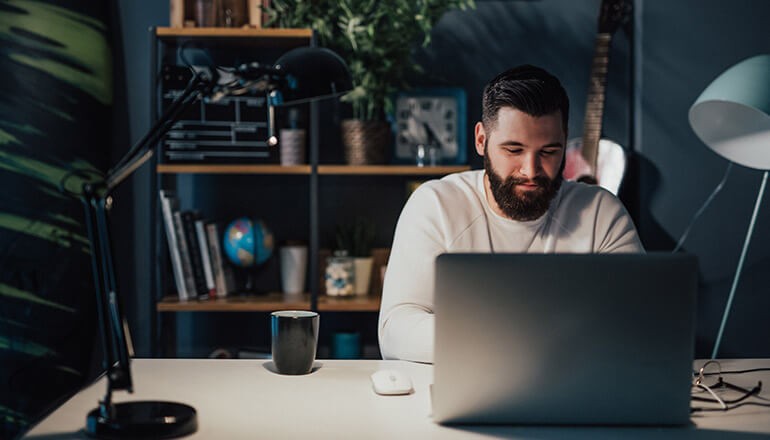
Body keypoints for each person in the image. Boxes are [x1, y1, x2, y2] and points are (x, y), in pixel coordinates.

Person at [378, 65, 644, 363]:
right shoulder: (435, 204)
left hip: (578, 391)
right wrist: (524, 337)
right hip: (471, 387)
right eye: (514, 150)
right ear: (481, 140)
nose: (531, 170)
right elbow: (395, 332)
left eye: (548, 152)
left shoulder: (601, 213)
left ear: (565, 140)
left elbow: (642, 322)